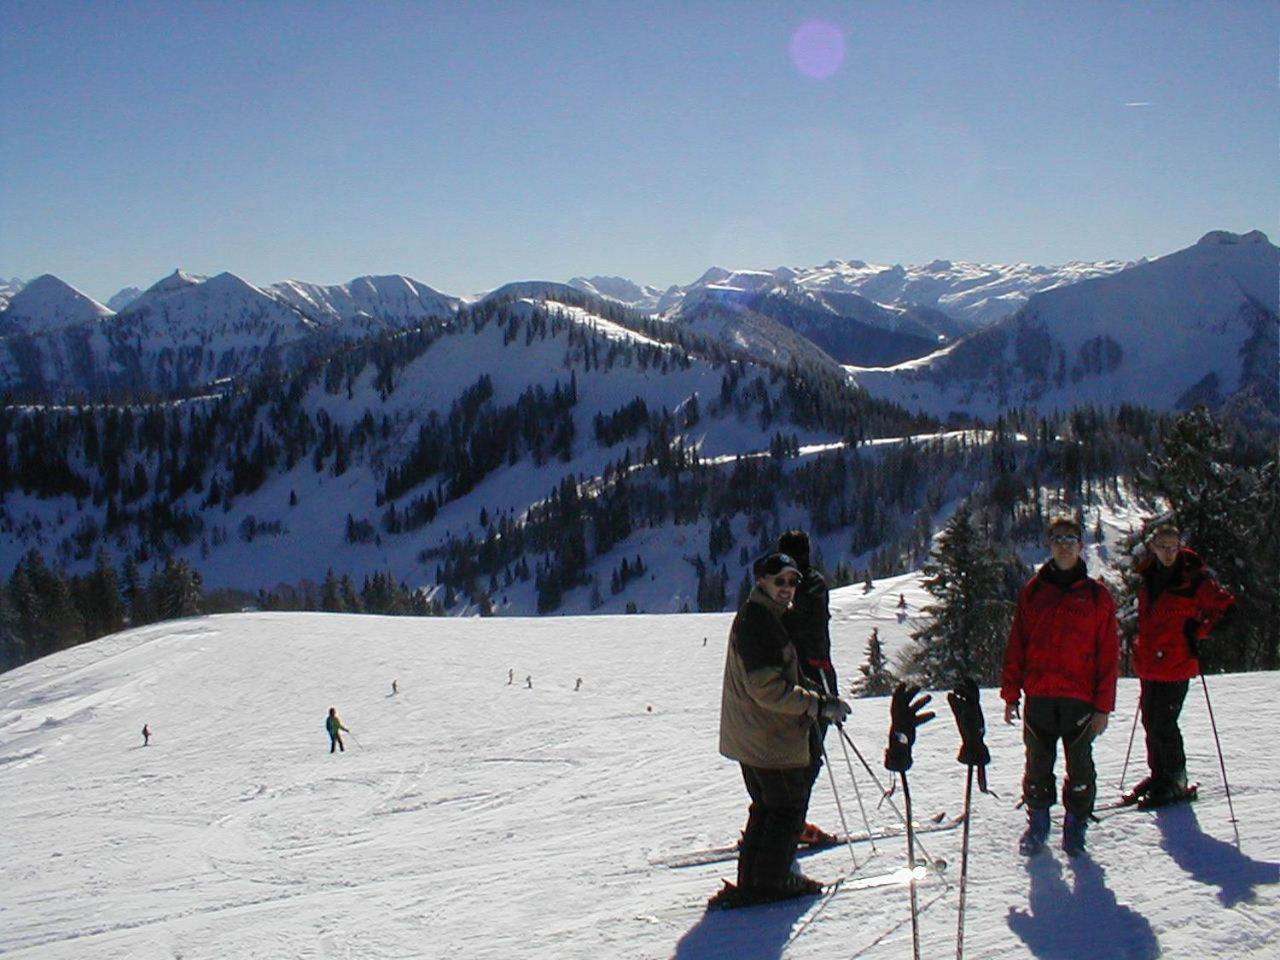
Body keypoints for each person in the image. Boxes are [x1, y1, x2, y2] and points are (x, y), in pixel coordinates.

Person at [714, 551, 851, 907]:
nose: (787, 588)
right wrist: (817, 704)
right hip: (768, 737)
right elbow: (768, 689)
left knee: (767, 807)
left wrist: (817, 695)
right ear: (762, 581)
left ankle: (754, 880)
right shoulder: (759, 623)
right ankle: (773, 882)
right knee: (788, 808)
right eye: (780, 581)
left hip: (753, 735)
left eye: (792, 582)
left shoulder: (764, 616)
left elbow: (784, 675)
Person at [1001, 515, 1119, 856]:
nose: (1064, 545)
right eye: (1058, 539)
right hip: (1039, 697)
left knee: (1080, 767)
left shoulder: (1097, 597)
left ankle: (1076, 824)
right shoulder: (1033, 592)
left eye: (1070, 539)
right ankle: (1038, 822)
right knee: (1037, 766)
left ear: (1080, 546)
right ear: (1049, 544)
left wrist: (1103, 707)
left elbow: (1108, 656)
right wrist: (1011, 694)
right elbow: (1017, 645)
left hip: (1080, 701)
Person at [1127, 524, 1235, 807]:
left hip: (1177, 662)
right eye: (1163, 546)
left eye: (1173, 546)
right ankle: (1160, 775)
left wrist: (1200, 630)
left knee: (1164, 722)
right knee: (1151, 720)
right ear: (1152, 547)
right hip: (1151, 662)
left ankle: (1175, 779)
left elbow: (1227, 608)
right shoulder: (1148, 575)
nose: (1168, 552)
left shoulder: (1193, 579)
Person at [776, 529, 838, 845]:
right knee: (808, 756)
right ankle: (791, 823)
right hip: (813, 678)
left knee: (787, 757)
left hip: (784, 682)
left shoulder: (778, 588)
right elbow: (812, 634)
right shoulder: (811, 585)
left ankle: (782, 820)